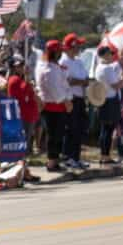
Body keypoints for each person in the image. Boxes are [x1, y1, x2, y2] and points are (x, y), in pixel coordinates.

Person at [36, 39, 72, 172]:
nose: (61, 53)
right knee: (53, 135)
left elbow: (64, 85)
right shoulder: (48, 69)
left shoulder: (53, 67)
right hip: (53, 105)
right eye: (59, 51)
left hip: (58, 105)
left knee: (58, 135)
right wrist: (66, 100)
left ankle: (55, 160)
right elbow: (56, 89)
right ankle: (51, 162)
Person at [6, 54, 42, 182]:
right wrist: (27, 79)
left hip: (28, 116)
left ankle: (24, 172)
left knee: (25, 147)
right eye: (19, 66)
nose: (22, 67)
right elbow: (24, 94)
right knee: (22, 148)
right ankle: (20, 173)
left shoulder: (20, 80)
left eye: (22, 65)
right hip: (23, 117)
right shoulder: (15, 80)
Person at [59, 33, 90, 170]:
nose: (79, 48)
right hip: (70, 98)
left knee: (79, 129)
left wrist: (83, 82)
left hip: (80, 98)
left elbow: (85, 78)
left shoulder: (79, 61)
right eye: (77, 45)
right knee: (71, 129)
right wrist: (81, 82)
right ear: (71, 47)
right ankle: (68, 157)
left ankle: (76, 157)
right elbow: (67, 81)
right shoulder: (64, 62)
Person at [94, 45, 123, 164]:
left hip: (103, 99)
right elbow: (116, 85)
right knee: (108, 129)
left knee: (105, 129)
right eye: (110, 53)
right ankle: (105, 155)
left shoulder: (99, 67)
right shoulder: (107, 68)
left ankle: (104, 154)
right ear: (105, 55)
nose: (112, 56)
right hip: (110, 99)